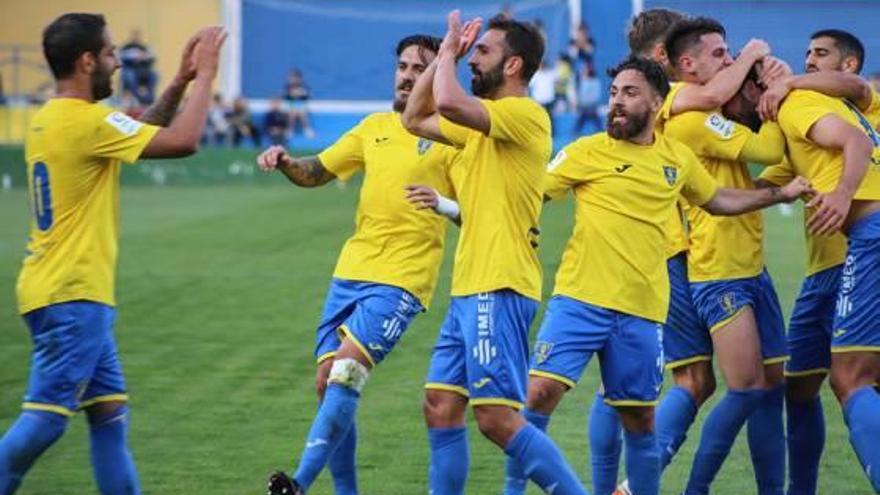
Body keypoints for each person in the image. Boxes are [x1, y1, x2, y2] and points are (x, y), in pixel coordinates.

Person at [509, 54, 811, 495]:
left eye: (629, 94)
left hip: (643, 311)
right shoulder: (584, 152)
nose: (616, 102)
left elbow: (718, 200)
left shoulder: (677, 159)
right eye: (614, 93)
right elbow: (529, 196)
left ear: (656, 103)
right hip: (579, 299)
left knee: (640, 421)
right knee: (536, 397)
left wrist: (779, 194)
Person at [0, 14, 225, 495]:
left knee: (108, 414)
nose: (117, 62)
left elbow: (142, 127)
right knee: (44, 422)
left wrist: (182, 80)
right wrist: (207, 74)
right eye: (108, 53)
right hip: (72, 295)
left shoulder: (54, 119)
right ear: (86, 62)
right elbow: (182, 141)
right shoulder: (87, 123)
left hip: (61, 289)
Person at [259, 34, 459, 495]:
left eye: (419, 68)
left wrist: (444, 204)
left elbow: (476, 210)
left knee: (347, 371)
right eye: (403, 66)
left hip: (403, 278)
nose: (408, 75)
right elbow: (319, 171)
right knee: (328, 380)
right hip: (351, 271)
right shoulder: (374, 127)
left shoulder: (451, 137)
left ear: (436, 76)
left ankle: (300, 484)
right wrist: (288, 162)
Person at [402, 11, 587, 495]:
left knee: (496, 418)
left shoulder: (525, 115)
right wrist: (445, 56)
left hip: (499, 284)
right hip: (471, 286)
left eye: (483, 51)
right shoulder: (484, 125)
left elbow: (446, 100)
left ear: (513, 65)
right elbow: (414, 118)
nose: (472, 58)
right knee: (441, 406)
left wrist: (446, 53)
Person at [660, 18, 794, 495]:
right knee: (745, 389)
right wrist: (778, 93)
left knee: (771, 389)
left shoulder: (708, 110)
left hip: (752, 268)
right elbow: (765, 147)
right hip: (719, 273)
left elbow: (763, 165)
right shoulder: (691, 118)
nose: (730, 60)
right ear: (686, 64)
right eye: (720, 54)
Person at [755, 28, 879, 495]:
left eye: (819, 55)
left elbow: (859, 104)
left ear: (846, 64)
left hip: (862, 246)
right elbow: (760, 185)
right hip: (827, 268)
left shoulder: (810, 102)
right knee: (801, 384)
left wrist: (843, 194)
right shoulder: (799, 119)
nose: (806, 62)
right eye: (803, 54)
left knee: (852, 379)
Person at [119, 29, 157, 105]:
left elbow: (152, 57)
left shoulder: (144, 47)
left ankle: (149, 98)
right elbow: (120, 57)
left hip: (143, 70)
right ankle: (137, 97)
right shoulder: (126, 47)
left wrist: (143, 56)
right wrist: (133, 57)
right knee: (130, 76)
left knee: (154, 75)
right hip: (130, 70)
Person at [284, 69, 315, 139]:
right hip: (291, 106)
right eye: (292, 78)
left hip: (301, 106)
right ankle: (289, 130)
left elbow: (306, 97)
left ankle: (307, 129)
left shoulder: (304, 86)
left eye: (296, 78)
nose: (294, 79)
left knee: (301, 112)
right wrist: (296, 94)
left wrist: (296, 94)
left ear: (299, 78)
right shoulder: (288, 87)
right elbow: (287, 97)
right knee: (293, 113)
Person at [573, 63, 602, 135]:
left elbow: (595, 93)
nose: (583, 71)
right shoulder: (584, 80)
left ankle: (600, 130)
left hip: (590, 104)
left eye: (585, 70)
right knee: (585, 118)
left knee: (588, 118)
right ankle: (600, 129)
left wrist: (591, 102)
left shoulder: (592, 81)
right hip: (586, 104)